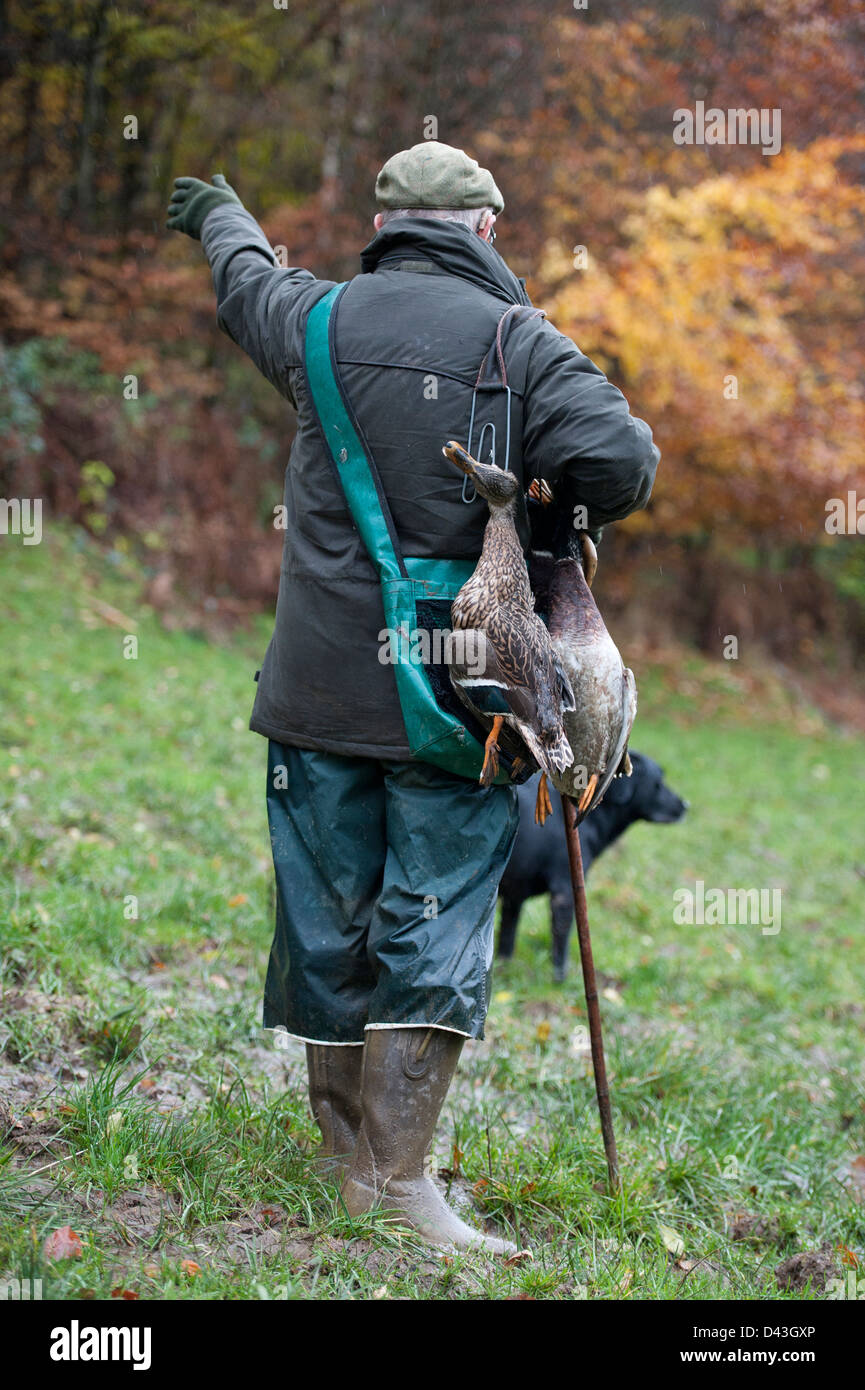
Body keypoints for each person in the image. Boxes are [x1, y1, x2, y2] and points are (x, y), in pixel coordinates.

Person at [166, 141, 659, 1254]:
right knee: (431, 916)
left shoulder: (316, 320)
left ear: (386, 226)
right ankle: (396, 1185)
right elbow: (624, 466)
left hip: (317, 691)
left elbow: (245, 279)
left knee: (326, 914)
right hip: (462, 695)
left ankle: (344, 1164)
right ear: (483, 229)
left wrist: (221, 216)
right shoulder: (518, 343)